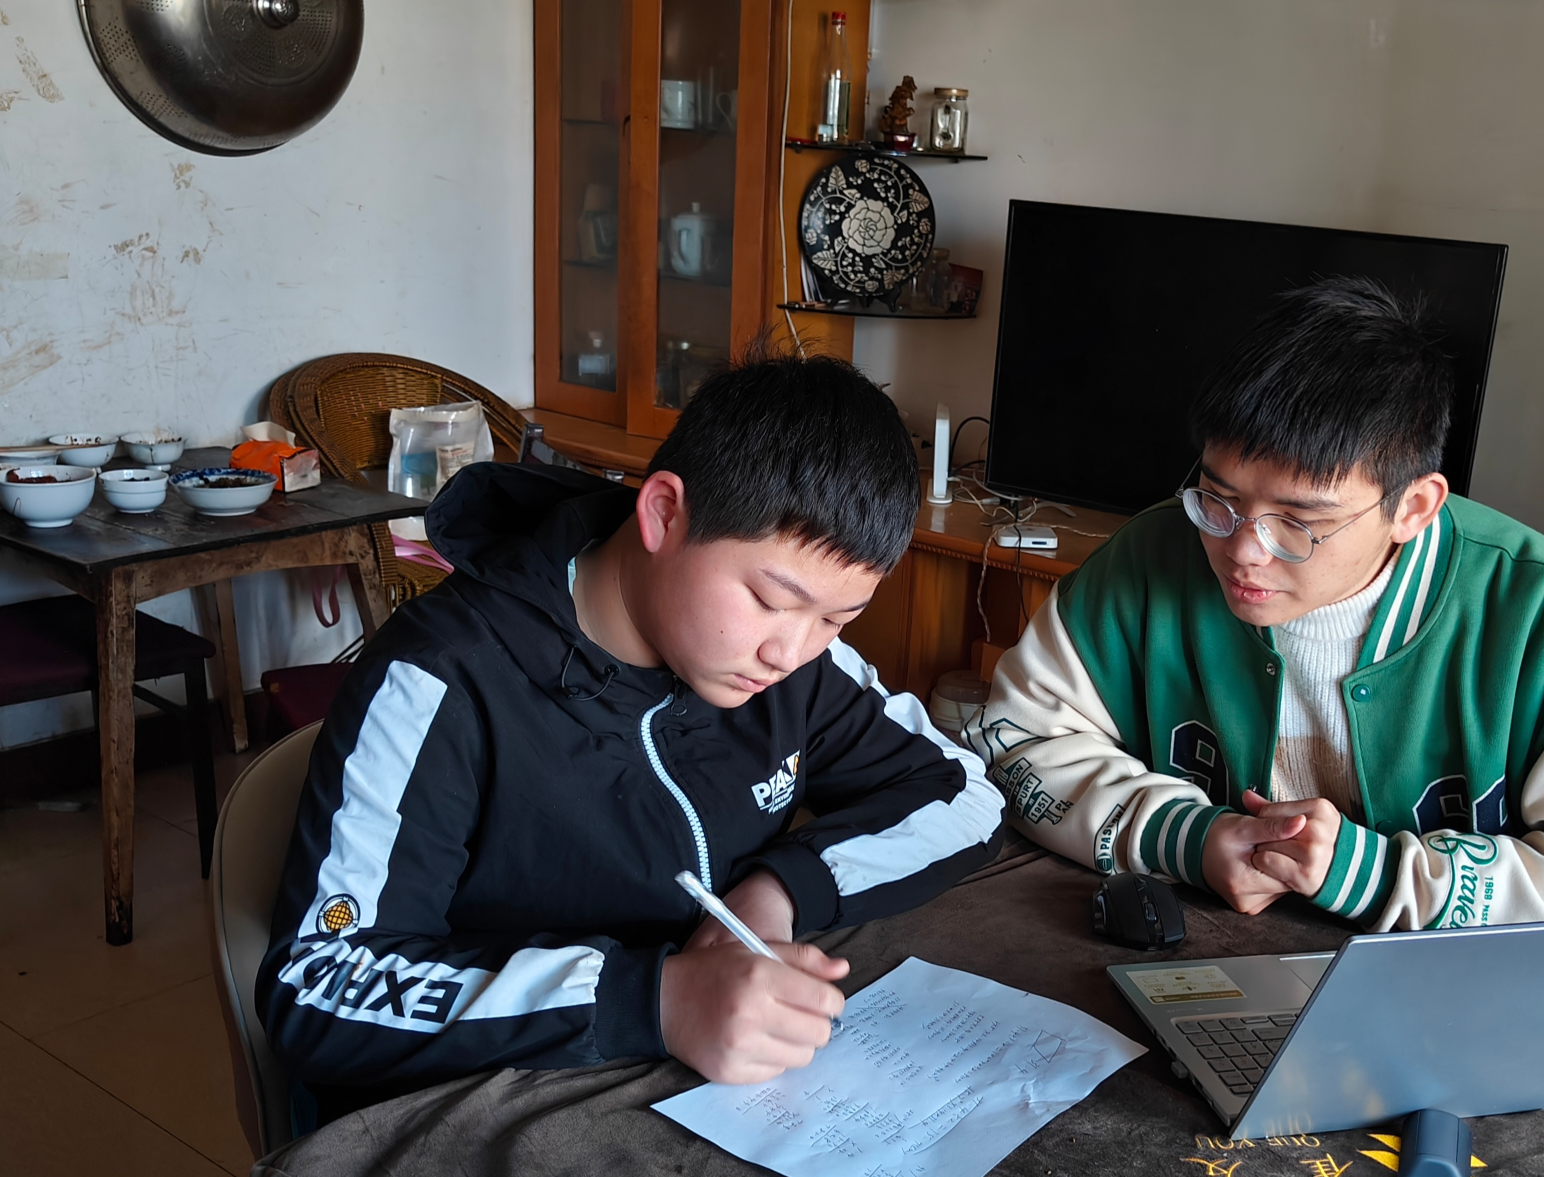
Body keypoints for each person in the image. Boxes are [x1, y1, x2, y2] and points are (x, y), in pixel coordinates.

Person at [259, 353, 1004, 1123]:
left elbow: (966, 797)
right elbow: (319, 983)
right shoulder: (441, 676)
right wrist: (654, 999)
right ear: (664, 514)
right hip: (479, 1112)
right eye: (769, 600)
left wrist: (779, 891)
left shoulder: (799, 664)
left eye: (838, 619)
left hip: (694, 1100)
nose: (790, 651)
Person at [968, 278, 1544, 928]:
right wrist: (1185, 837)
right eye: (1219, 498)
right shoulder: (1151, 556)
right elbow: (1014, 743)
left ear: (1413, 507)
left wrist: (1380, 876)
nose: (1244, 549)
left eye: (1299, 521)